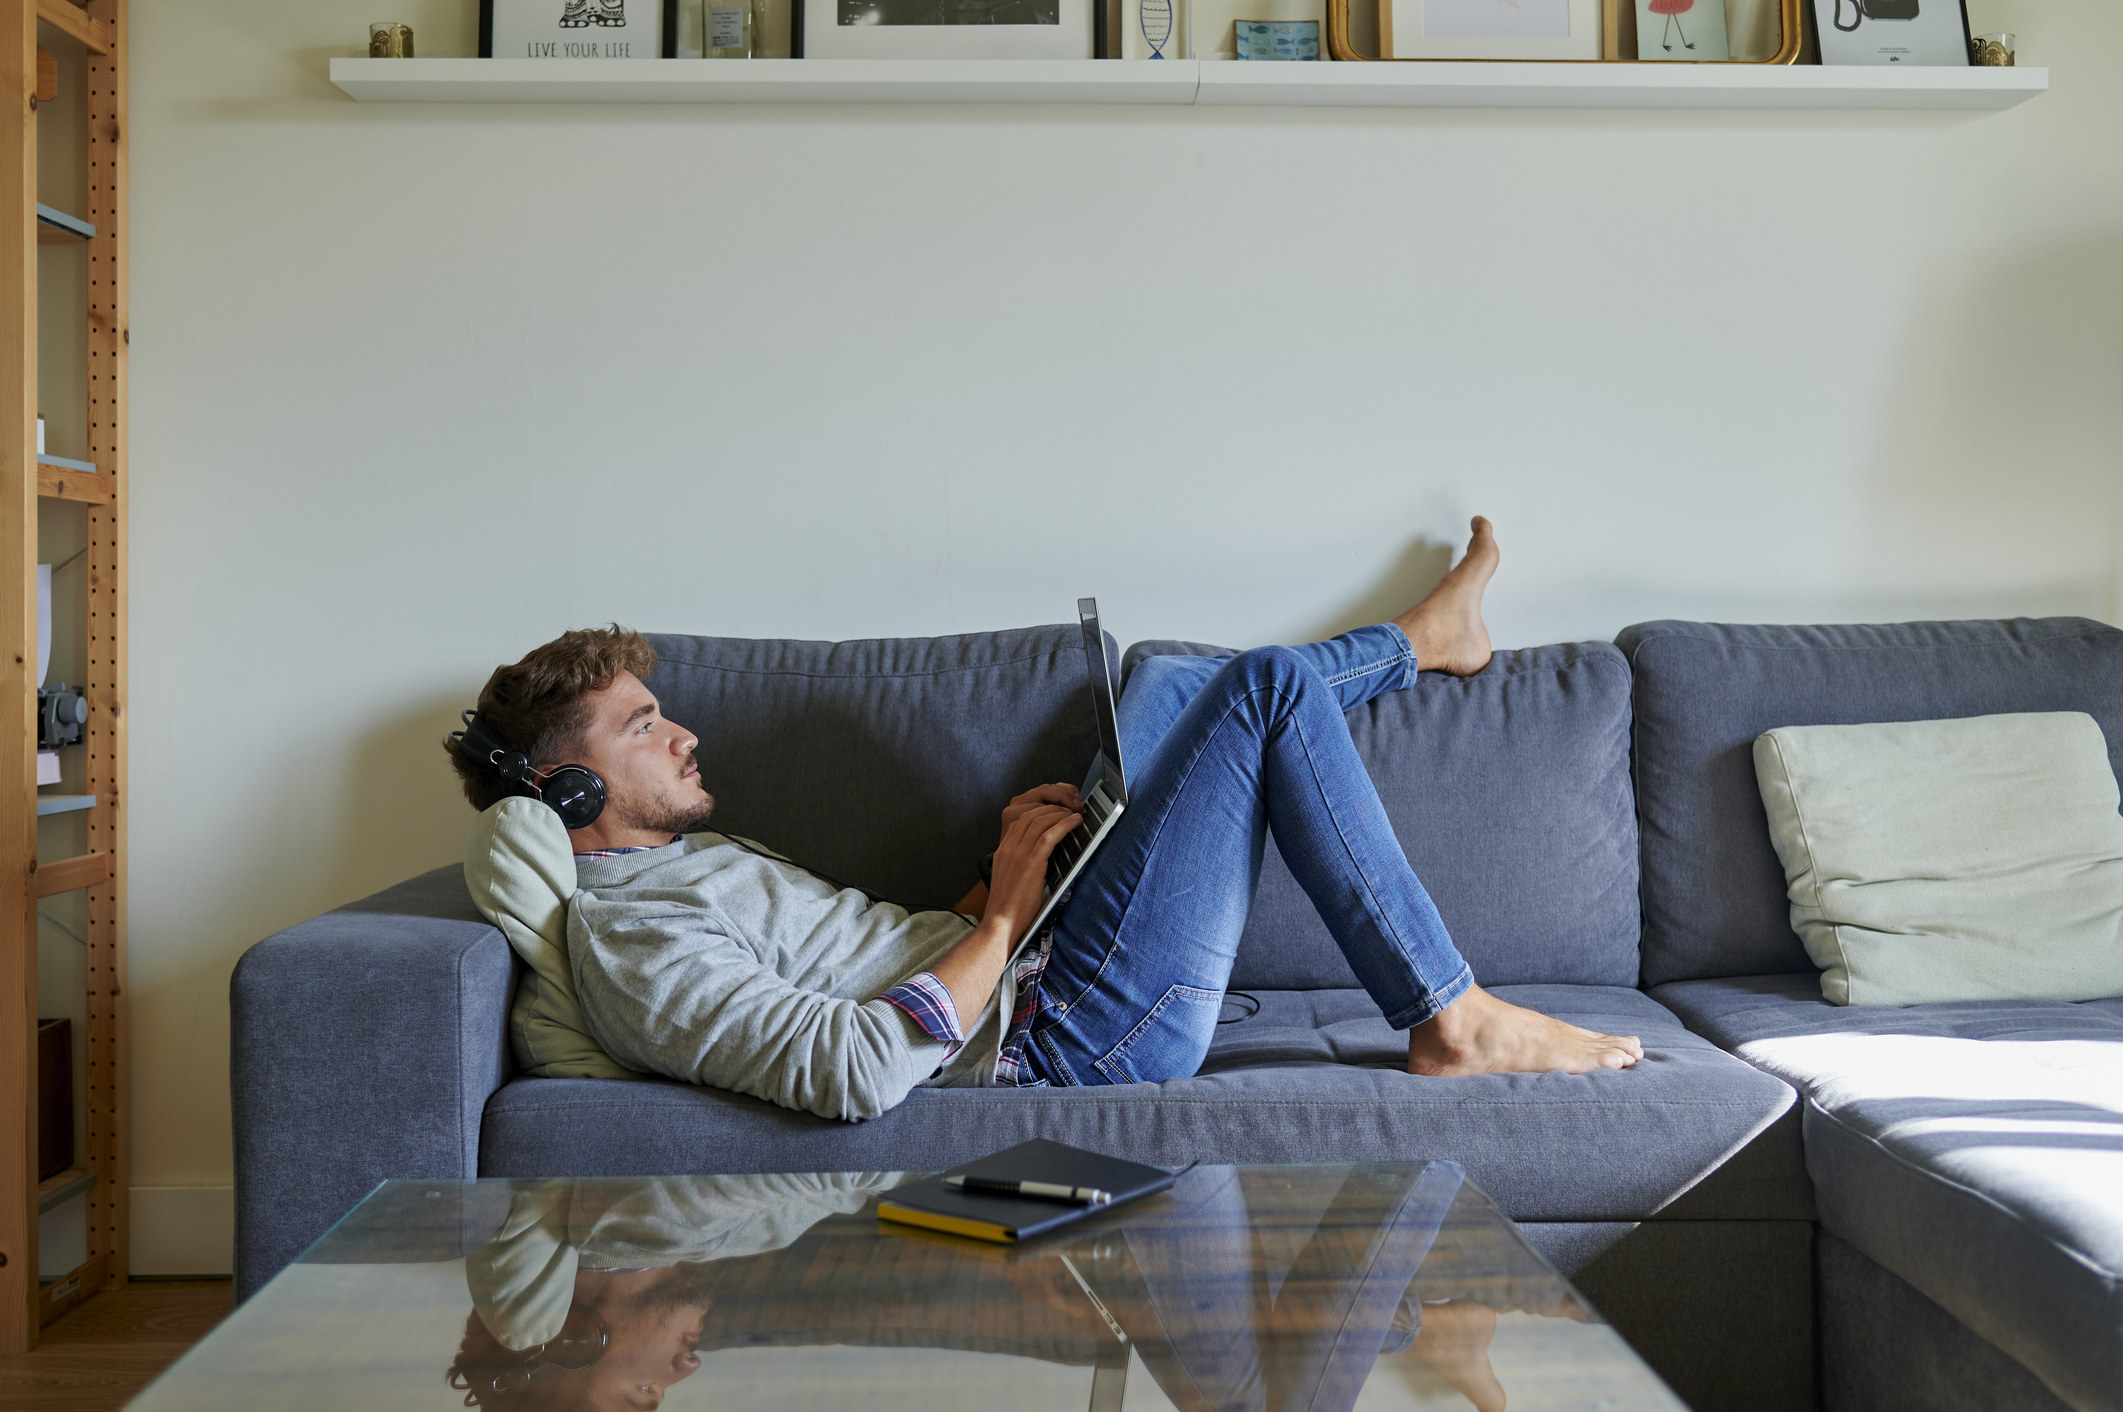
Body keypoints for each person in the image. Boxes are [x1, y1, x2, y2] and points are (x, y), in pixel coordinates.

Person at [444, 518, 1641, 1122]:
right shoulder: (631, 937)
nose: (683, 734)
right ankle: (1454, 1015)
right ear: (569, 789)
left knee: (1169, 685)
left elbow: (859, 965)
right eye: (642, 725)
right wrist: (1012, 907)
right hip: (1062, 1037)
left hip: (1040, 965)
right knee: (1263, 686)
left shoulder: (689, 863)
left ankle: (1423, 643)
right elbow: (855, 1065)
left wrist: (994, 886)